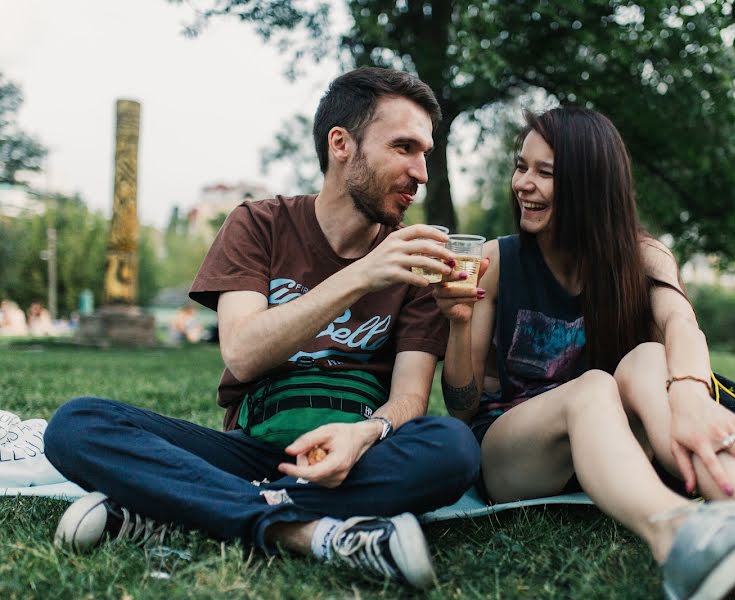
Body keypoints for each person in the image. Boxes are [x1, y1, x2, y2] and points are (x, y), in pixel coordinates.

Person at [435, 107, 735, 600]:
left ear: (590, 183)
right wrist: (459, 326)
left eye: (544, 172)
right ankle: (679, 540)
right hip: (515, 453)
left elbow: (681, 322)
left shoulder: (640, 256)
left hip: (613, 443)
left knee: (650, 359)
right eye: (521, 166)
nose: (522, 184)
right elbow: (463, 407)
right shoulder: (495, 261)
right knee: (594, 384)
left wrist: (692, 397)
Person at [44, 67, 481, 591]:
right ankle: (310, 532)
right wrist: (362, 275)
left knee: (454, 448)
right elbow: (244, 352)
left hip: (357, 453)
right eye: (404, 147)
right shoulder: (259, 224)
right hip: (247, 451)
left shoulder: (413, 256)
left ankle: (177, 508)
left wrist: (364, 435)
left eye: (425, 153)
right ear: (341, 144)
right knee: (77, 424)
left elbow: (411, 397)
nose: (422, 172)